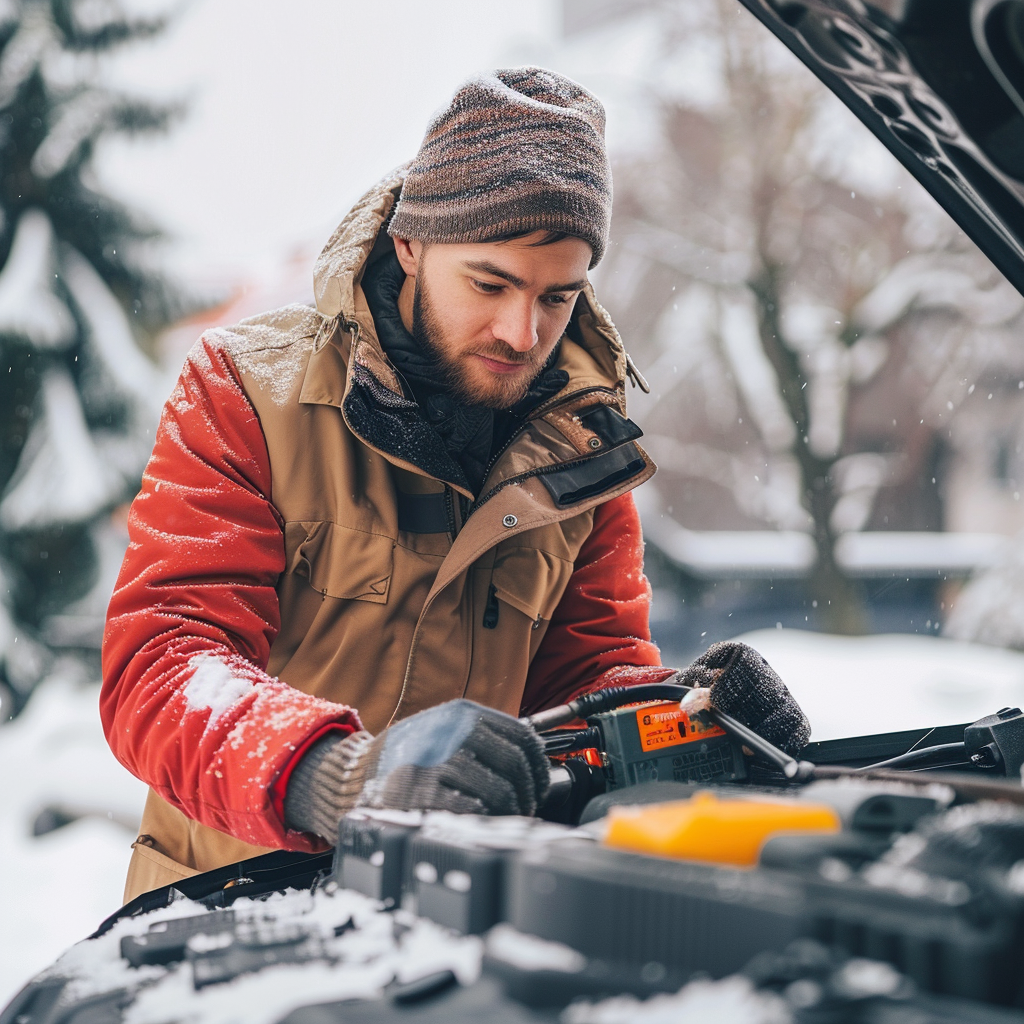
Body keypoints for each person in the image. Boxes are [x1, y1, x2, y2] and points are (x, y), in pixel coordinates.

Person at [101, 67, 808, 904]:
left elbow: (584, 681)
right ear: (410, 244)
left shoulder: (584, 443)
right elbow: (164, 667)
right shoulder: (244, 390)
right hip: (236, 908)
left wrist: (691, 718)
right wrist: (342, 777)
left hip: (465, 912)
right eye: (491, 284)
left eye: (558, 295)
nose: (523, 331)